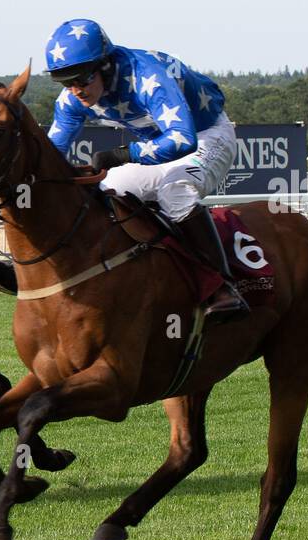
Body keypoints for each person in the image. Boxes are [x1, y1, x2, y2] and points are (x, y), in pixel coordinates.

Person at [44, 18, 248, 323]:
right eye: (66, 81)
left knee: (175, 191)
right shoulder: (73, 99)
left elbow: (182, 139)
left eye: (82, 79)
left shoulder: (147, 77)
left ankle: (223, 287)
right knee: (107, 188)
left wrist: (121, 153)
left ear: (105, 65)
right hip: (159, 145)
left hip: (208, 135)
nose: (76, 90)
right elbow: (51, 154)